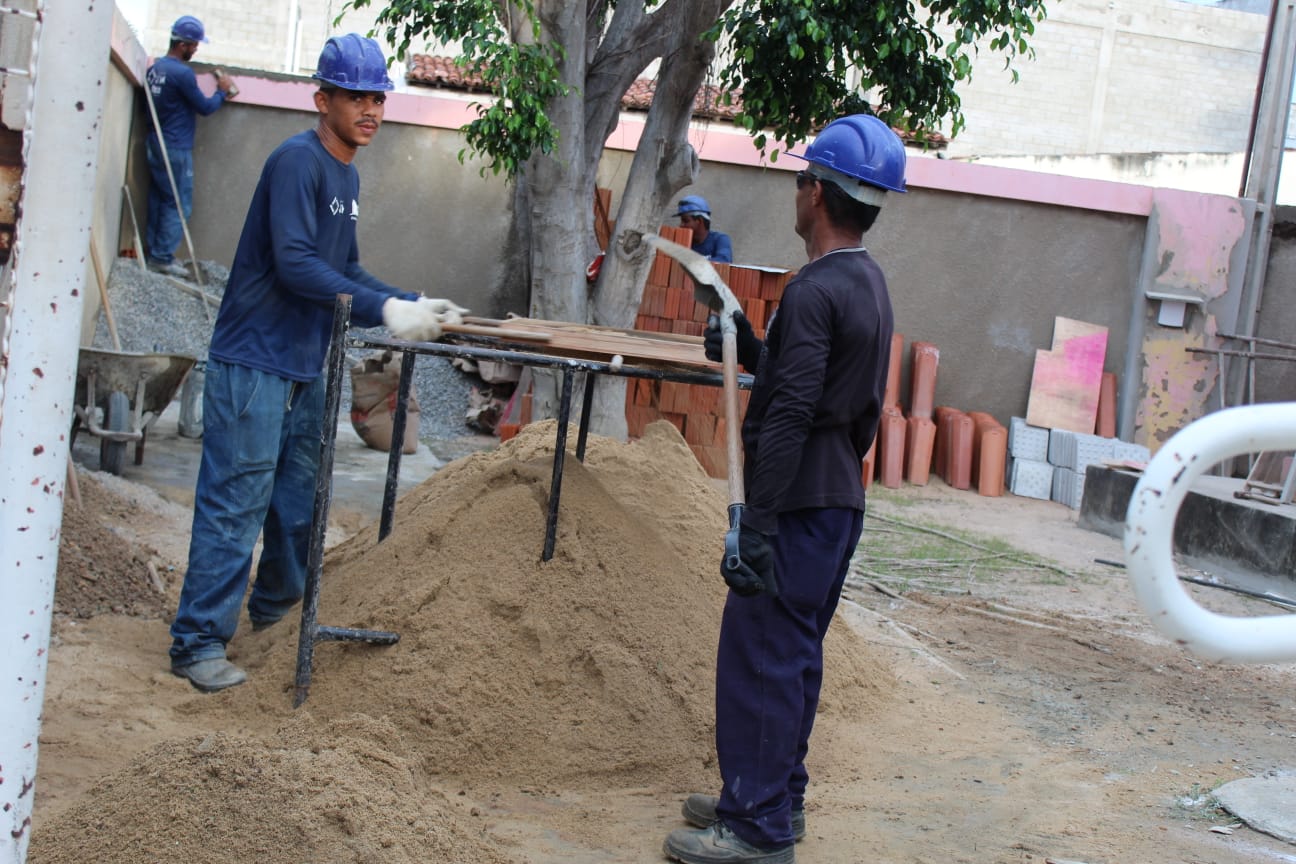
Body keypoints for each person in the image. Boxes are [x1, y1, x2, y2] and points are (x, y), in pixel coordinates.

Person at [168, 34, 466, 693]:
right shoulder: (296, 162)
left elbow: (345, 268)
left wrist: (408, 300)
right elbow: (298, 264)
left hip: (305, 364)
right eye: (356, 96)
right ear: (321, 98)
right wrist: (384, 313)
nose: (371, 110)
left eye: (378, 97)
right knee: (236, 502)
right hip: (255, 361)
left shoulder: (347, 174)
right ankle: (196, 644)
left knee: (296, 501)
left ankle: (276, 614)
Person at [664, 114, 907, 864]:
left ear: (818, 194)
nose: (795, 191)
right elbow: (827, 389)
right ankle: (772, 798)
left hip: (797, 506)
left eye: (801, 179)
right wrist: (754, 349)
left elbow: (795, 411)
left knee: (762, 656)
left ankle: (758, 830)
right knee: (793, 654)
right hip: (836, 498)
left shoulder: (813, 290)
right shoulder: (866, 283)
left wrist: (758, 521)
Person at [144, 15, 235, 277]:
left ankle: (153, 251)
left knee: (160, 197)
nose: (196, 49)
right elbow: (205, 108)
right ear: (182, 44)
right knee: (178, 202)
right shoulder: (182, 74)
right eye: (194, 45)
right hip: (175, 146)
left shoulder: (156, 69)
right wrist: (222, 91)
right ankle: (162, 257)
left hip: (154, 141)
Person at [676, 195, 733, 263]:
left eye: (685, 221)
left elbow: (724, 261)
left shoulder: (720, 239)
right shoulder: (680, 242)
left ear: (699, 221)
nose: (681, 225)